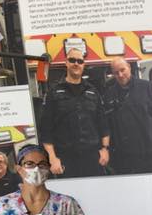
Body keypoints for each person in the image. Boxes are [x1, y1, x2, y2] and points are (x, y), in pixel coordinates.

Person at [40, 49, 110, 178]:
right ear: (66, 62)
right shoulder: (54, 92)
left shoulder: (93, 91)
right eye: (72, 60)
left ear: (84, 64)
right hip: (65, 159)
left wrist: (105, 149)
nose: (76, 64)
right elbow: (46, 128)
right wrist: (52, 157)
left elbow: (103, 123)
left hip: (93, 158)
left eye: (80, 61)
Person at [104, 57, 152, 174]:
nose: (120, 75)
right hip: (124, 160)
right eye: (116, 73)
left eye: (123, 70)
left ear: (129, 67)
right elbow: (108, 126)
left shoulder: (149, 88)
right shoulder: (109, 95)